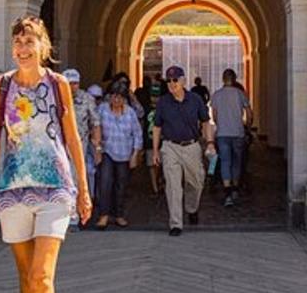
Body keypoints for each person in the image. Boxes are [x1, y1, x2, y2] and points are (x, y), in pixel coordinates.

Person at [0, 16, 92, 293]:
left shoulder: (58, 85)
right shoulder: (2, 86)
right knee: (26, 277)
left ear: (43, 46)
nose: (23, 48)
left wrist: (83, 188)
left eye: (30, 41)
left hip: (55, 186)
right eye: (18, 42)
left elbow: (72, 137)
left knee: (42, 276)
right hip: (12, 187)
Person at [152, 65, 214, 236]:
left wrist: (209, 142)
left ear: (183, 81)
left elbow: (205, 121)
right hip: (170, 147)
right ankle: (176, 224)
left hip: (191, 147)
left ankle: (192, 208)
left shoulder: (195, 100)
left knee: (196, 182)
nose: (172, 84)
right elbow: (157, 126)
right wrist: (156, 151)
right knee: (173, 186)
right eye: (169, 81)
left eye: (175, 80)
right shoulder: (163, 102)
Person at [93, 83, 144, 229]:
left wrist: (135, 154)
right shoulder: (102, 109)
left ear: (125, 99)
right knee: (105, 181)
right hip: (107, 150)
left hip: (124, 153)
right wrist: (97, 148)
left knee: (121, 184)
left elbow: (137, 134)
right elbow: (95, 126)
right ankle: (104, 215)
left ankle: (119, 215)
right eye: (114, 96)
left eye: (120, 97)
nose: (116, 100)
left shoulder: (130, 113)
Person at [210, 68, 252, 208]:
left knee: (225, 161)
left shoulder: (217, 95)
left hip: (223, 133)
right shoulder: (240, 94)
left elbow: (214, 115)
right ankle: (235, 188)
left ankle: (227, 192)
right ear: (234, 79)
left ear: (223, 79)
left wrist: (218, 124)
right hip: (238, 132)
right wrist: (248, 127)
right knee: (237, 161)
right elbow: (248, 112)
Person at [64, 68, 102, 209]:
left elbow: (96, 123)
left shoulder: (86, 99)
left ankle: (74, 216)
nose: (72, 86)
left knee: (76, 178)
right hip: (58, 146)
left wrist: (98, 149)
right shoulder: (54, 97)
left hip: (80, 146)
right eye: (68, 83)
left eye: (75, 83)